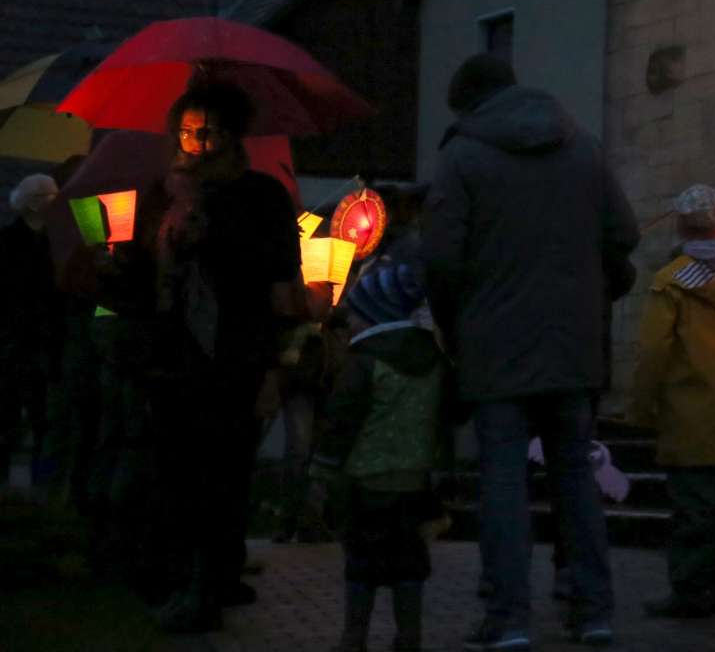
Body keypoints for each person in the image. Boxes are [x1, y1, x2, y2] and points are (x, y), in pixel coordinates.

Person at [423, 54, 639, 651]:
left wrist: (456, 326)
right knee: (574, 475)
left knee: (503, 480)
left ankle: (508, 618)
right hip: (573, 345)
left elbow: (440, 260)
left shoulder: (462, 156)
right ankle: (594, 611)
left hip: (496, 347)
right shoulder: (583, 147)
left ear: (467, 104)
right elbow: (624, 235)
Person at [119, 81, 304, 633]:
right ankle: (182, 578)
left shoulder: (260, 195)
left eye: (210, 132)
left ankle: (211, 582)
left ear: (231, 135)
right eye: (188, 132)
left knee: (223, 474)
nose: (198, 143)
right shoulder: (162, 195)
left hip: (233, 356)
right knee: (177, 473)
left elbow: (275, 269)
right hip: (173, 355)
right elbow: (139, 277)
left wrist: (216, 239)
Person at [626, 184, 715, 619]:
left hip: (688, 410)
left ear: (682, 224)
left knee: (692, 509)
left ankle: (689, 590)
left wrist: (640, 408)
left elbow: (653, 352)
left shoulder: (670, 284)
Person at [310, 263, 447, 652]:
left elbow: (341, 421)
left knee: (361, 565)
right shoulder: (433, 360)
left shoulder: (363, 362)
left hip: (365, 483)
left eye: (354, 312)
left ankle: (354, 636)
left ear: (373, 315)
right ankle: (409, 635)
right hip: (415, 482)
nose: (347, 320)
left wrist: (322, 472)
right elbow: (447, 415)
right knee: (409, 565)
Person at [0, 173, 60, 491]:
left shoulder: (12, 240)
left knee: (21, 415)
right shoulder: (53, 242)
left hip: (22, 336)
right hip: (31, 336)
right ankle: (40, 484)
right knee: (34, 416)